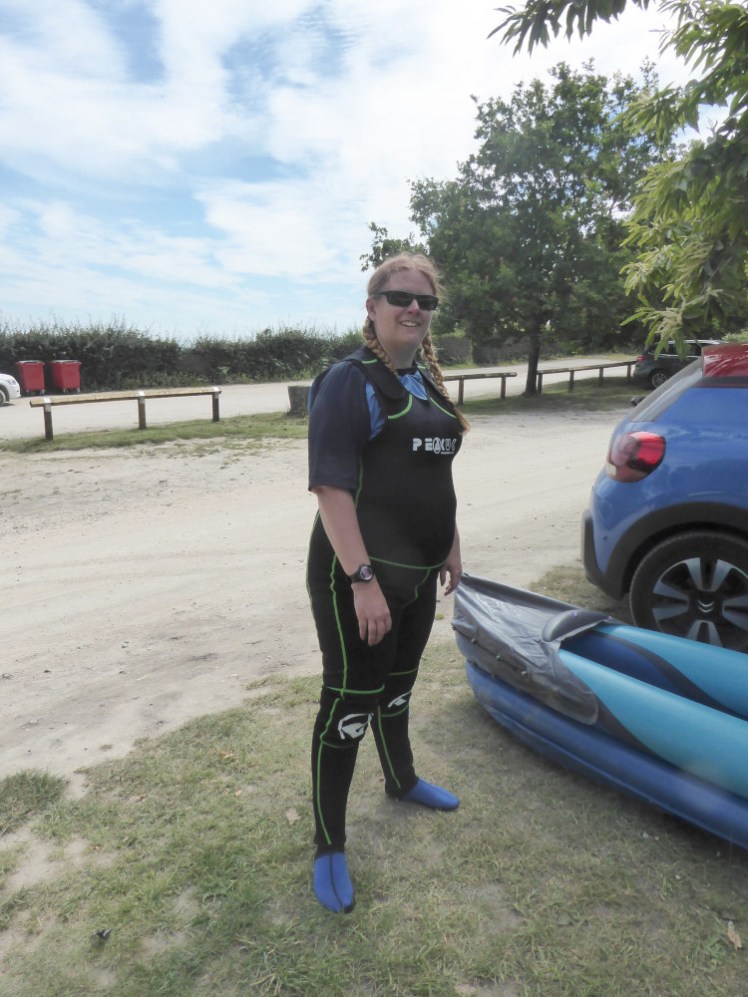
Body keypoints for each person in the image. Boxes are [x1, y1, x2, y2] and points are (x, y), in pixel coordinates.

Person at [306, 252, 469, 914]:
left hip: (420, 573)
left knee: (398, 689)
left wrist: (451, 544)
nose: (414, 308)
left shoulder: (427, 382)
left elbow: (436, 477)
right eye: (399, 296)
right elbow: (330, 489)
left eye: (425, 301)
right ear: (372, 307)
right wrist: (363, 579)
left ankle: (401, 780)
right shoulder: (350, 381)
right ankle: (328, 843)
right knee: (350, 704)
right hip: (359, 577)